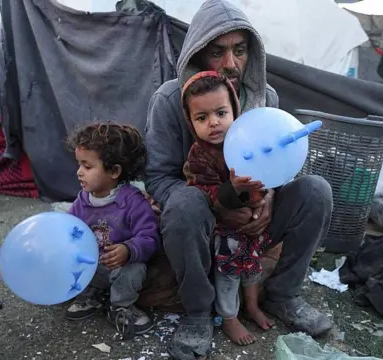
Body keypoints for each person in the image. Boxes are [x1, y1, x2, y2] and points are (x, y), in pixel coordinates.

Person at [144, 0, 334, 358]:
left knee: (316, 191)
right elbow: (157, 178)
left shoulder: (267, 100)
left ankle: (283, 296)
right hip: (201, 218)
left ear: (253, 54)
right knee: (183, 203)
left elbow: (282, 165)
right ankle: (198, 311)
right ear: (199, 53)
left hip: (252, 220)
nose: (231, 64)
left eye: (240, 51)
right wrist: (216, 204)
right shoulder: (170, 100)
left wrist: (271, 198)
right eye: (218, 52)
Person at [181, 71, 275, 346]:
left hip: (254, 224)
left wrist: (264, 197)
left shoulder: (249, 142)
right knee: (229, 272)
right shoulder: (199, 155)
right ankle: (229, 315)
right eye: (202, 118)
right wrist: (230, 191)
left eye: (221, 112)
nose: (214, 123)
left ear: (235, 110)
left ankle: (252, 305)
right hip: (224, 230)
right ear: (191, 122)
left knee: (253, 267)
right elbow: (201, 190)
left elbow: (270, 171)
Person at [64, 122, 160, 340]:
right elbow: (69, 230)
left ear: (114, 171)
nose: (79, 172)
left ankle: (121, 306)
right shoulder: (82, 201)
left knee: (134, 268)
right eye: (79, 165)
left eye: (87, 167)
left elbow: (150, 237)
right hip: (93, 267)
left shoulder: (133, 202)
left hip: (119, 269)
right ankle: (91, 294)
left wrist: (128, 249)